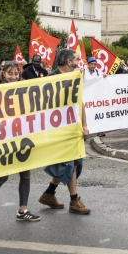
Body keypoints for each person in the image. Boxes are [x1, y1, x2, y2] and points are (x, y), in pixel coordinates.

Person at [0, 62, 41, 224]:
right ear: (3, 74)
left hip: (21, 137)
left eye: (16, 74)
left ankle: (22, 210)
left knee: (25, 175)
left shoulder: (23, 88)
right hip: (4, 140)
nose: (13, 77)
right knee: (1, 177)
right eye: (10, 74)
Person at [39, 49, 91, 215]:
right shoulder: (52, 78)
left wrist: (84, 124)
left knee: (70, 163)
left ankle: (49, 193)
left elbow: (79, 102)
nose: (78, 61)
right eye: (76, 59)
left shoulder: (74, 77)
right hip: (60, 129)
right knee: (70, 163)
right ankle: (74, 200)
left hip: (73, 127)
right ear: (69, 61)